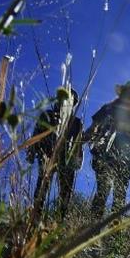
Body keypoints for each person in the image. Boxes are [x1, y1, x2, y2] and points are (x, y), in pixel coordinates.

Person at [84, 80, 130, 219]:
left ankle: (112, 234)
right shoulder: (107, 110)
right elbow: (92, 130)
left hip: (124, 163)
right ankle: (91, 230)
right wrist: (79, 142)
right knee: (104, 193)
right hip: (104, 158)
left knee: (118, 199)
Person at [27, 87, 84, 219]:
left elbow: (78, 143)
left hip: (66, 159)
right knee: (42, 187)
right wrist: (31, 151)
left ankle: (60, 220)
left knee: (65, 192)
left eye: (71, 101)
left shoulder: (76, 122)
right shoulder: (47, 115)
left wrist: (79, 158)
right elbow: (36, 134)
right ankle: (35, 217)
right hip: (46, 154)